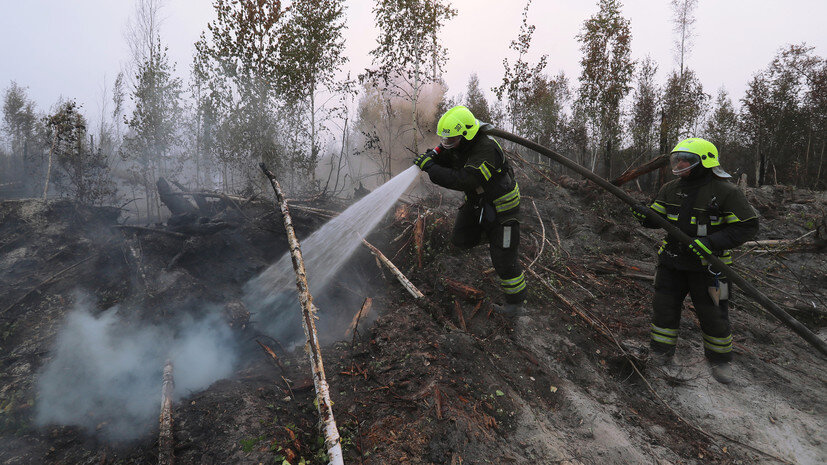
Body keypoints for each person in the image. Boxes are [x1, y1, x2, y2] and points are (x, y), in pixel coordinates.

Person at [631, 137, 758, 384]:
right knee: (664, 309)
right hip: (672, 263)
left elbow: (747, 226)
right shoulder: (670, 188)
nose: (679, 165)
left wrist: (711, 243)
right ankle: (661, 354)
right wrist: (643, 216)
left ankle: (720, 362)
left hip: (711, 269)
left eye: (686, 161)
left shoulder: (725, 191)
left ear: (704, 162)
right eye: (677, 160)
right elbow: (657, 218)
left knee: (714, 315)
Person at [413, 105, 526, 314]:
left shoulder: (485, 148)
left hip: (503, 208)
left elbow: (466, 180)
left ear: (466, 134)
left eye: (451, 140)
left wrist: (432, 169)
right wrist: (432, 158)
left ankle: (515, 305)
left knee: (504, 259)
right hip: (480, 203)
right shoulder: (461, 146)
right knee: (460, 239)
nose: (447, 144)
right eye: (445, 140)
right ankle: (490, 235)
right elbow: (447, 157)